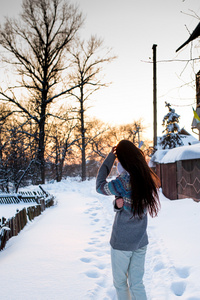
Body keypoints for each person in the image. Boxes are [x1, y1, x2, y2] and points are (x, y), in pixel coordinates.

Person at [96, 140, 160, 300]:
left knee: (120, 284)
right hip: (140, 242)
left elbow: (100, 186)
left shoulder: (122, 182)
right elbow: (133, 204)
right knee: (137, 284)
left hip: (122, 243)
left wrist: (110, 157)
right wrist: (118, 205)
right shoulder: (145, 178)